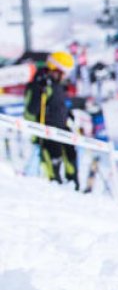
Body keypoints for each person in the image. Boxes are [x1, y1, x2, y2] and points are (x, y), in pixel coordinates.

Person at [23, 50, 79, 189]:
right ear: (56, 69)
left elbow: (60, 105)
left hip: (62, 128)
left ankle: (73, 184)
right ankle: (55, 185)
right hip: (46, 131)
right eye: (64, 73)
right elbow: (30, 112)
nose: (65, 76)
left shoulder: (58, 85)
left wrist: (69, 115)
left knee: (71, 155)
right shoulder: (39, 85)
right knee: (54, 157)